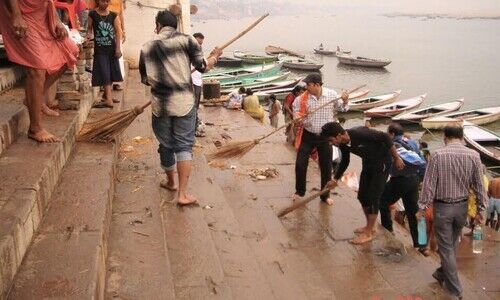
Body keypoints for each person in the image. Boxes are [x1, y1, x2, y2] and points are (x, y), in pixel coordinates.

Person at [139, 9, 221, 205]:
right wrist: (215, 56)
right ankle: (182, 194)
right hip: (184, 102)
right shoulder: (188, 41)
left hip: (161, 105)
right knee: (184, 145)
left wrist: (163, 81)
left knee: (166, 144)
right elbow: (202, 67)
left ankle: (171, 182)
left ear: (158, 25)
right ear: (175, 25)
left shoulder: (146, 47)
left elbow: (145, 79)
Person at [417, 125, 487, 299]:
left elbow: (429, 185)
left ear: (445, 137)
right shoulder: (474, 155)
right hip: (462, 208)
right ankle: (441, 273)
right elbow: (479, 186)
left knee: (446, 248)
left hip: (442, 208)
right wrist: (481, 210)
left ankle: (455, 290)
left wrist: (422, 208)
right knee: (452, 244)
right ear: (462, 138)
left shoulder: (438, 155)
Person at [0, 0, 79, 142]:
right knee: (37, 69)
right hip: (20, 11)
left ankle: (35, 98)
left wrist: (57, 20)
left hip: (41, 12)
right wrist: (16, 15)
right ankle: (35, 129)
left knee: (70, 51)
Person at [322, 122, 405, 244]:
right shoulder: (343, 144)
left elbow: (386, 137)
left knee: (373, 197)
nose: (331, 143)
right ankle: (369, 226)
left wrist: (397, 158)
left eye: (331, 140)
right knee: (362, 196)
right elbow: (345, 161)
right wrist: (335, 179)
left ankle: (369, 233)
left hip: (382, 162)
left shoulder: (359, 134)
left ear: (339, 135)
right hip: (368, 163)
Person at [293, 74, 349, 205]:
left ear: (317, 85)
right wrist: (297, 118)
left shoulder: (331, 95)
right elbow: (296, 111)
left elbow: (342, 108)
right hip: (308, 134)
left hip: (325, 137)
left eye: (308, 85)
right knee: (300, 163)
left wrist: (345, 100)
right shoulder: (302, 99)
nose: (306, 87)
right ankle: (300, 191)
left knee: (326, 166)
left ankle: (325, 196)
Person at [379, 123, 427, 253]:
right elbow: (422, 162)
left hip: (400, 180)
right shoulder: (412, 142)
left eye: (388, 134)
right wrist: (420, 180)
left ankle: (388, 233)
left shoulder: (392, 144)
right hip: (414, 180)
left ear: (392, 134)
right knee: (414, 212)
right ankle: (422, 244)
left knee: (382, 203)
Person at [87, 0, 123, 108]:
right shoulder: (92, 14)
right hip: (100, 50)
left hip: (111, 49)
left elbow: (118, 32)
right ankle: (108, 99)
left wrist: (118, 49)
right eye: (103, 1)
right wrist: (88, 36)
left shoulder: (113, 15)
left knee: (111, 72)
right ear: (98, 1)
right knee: (104, 72)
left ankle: (106, 97)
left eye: (107, 1)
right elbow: (89, 28)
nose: (105, 3)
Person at [465, 165, 489, 236]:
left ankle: (477, 234)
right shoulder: (478, 177)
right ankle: (472, 232)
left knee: (478, 218)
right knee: (473, 217)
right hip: (473, 200)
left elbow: (483, 191)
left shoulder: (483, 178)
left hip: (478, 201)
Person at [191, 32, 205, 137]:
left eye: (201, 44)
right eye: (198, 43)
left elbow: (204, 68)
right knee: (193, 107)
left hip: (198, 82)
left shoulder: (199, 52)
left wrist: (215, 57)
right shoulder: (189, 51)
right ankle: (193, 128)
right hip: (192, 82)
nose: (199, 45)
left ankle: (195, 127)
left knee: (195, 106)